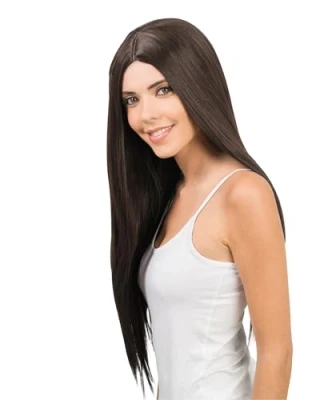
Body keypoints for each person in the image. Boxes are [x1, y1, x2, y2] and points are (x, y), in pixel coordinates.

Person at [107, 17, 292, 399]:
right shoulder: (167, 197)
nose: (146, 114)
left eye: (163, 90)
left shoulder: (243, 195)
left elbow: (277, 354)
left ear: (197, 84)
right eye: (131, 100)